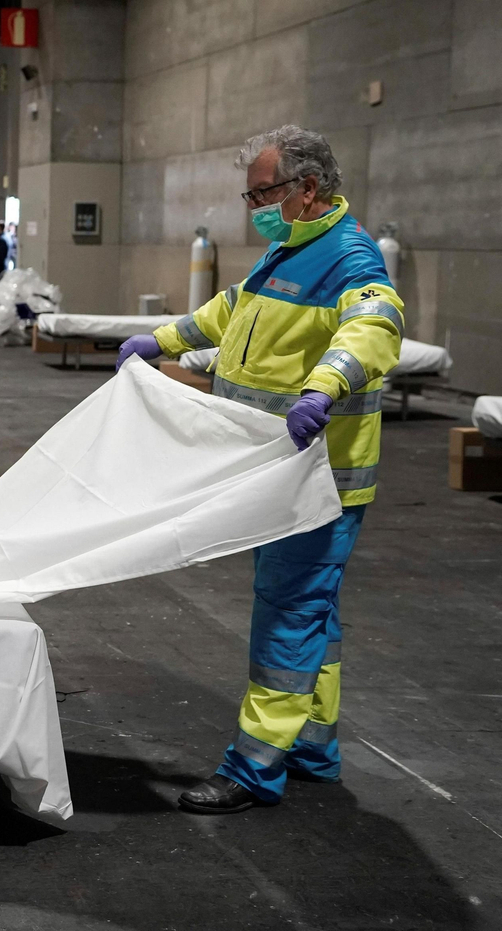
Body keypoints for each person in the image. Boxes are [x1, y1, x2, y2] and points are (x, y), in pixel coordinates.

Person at [116, 125, 403, 815]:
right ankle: (311, 747)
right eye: (250, 195)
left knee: (288, 615)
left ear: (308, 188)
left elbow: (375, 327)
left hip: (320, 476)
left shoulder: (351, 257)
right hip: (279, 470)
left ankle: (252, 769)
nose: (255, 207)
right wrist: (159, 339)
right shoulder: (287, 249)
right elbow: (229, 312)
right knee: (313, 611)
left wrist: (323, 387)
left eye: (263, 193)